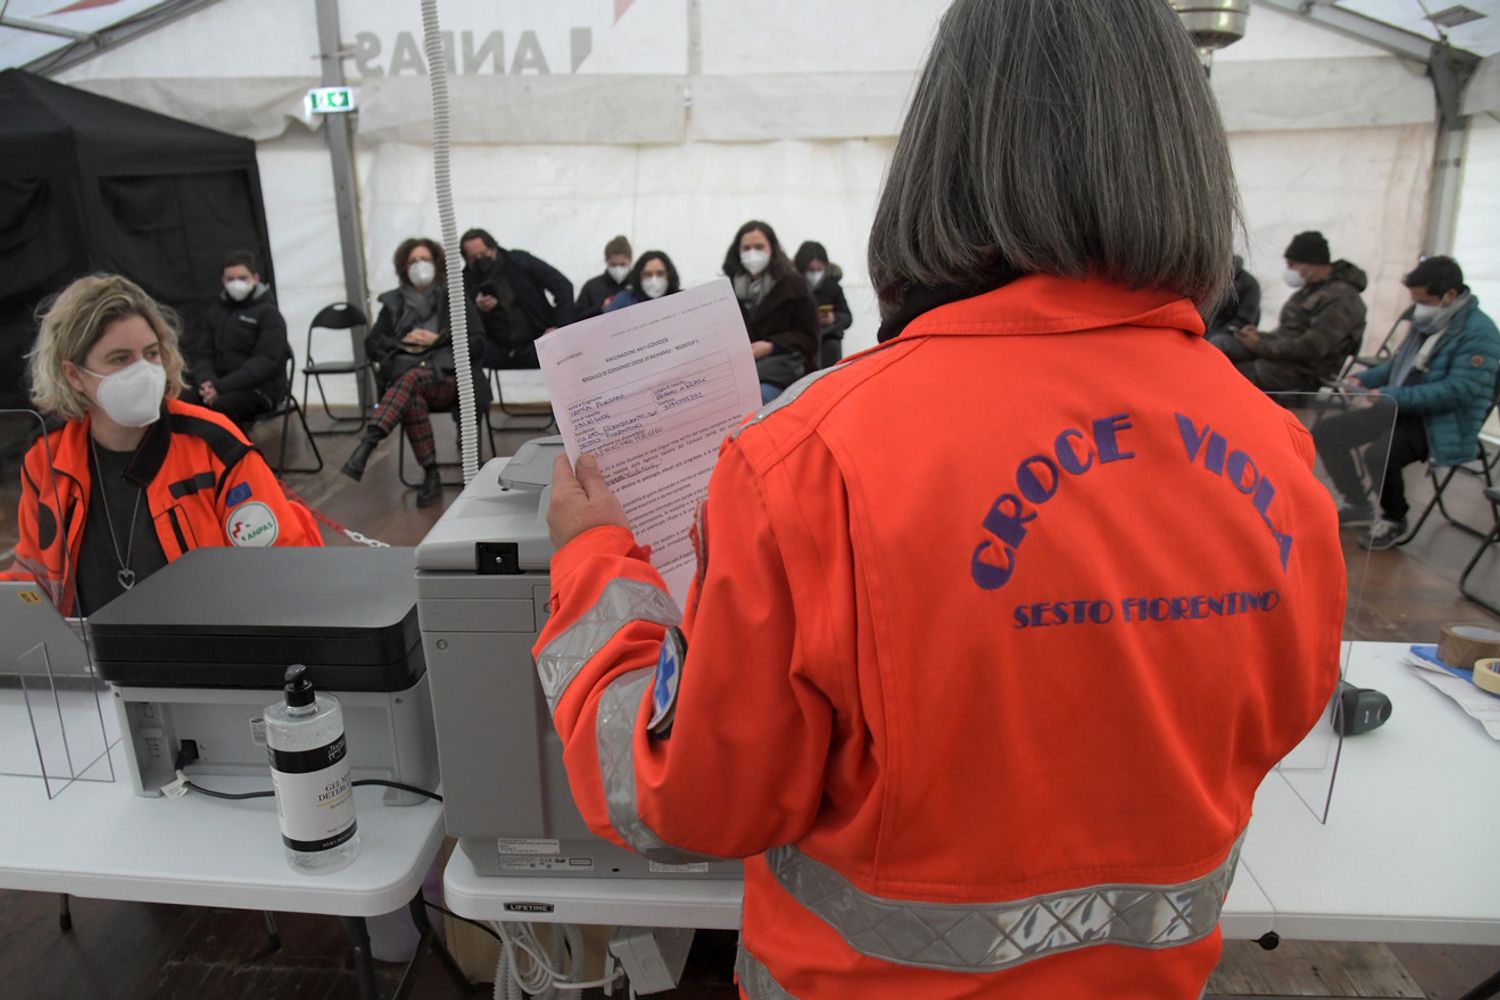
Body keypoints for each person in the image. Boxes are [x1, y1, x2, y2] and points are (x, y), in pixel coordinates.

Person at [531, 1, 1345, 997]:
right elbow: (1274, 715)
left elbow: (682, 795)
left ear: (940, 161)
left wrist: (592, 560)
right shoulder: (1280, 454)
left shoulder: (809, 461)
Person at [9, 274, 321, 616]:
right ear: (74, 375)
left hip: (207, 644)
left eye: (151, 353)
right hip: (90, 647)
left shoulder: (214, 446)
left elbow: (284, 570)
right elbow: (33, 576)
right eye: (120, 359)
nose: (143, 371)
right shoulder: (48, 456)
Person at [1313, 256, 1500, 549]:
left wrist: (1392, 394)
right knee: (1326, 432)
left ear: (1450, 295)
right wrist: (1364, 380)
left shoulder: (1480, 333)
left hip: (1441, 421)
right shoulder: (1429, 321)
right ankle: (1358, 503)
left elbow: (1458, 391)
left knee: (1380, 455)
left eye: (1424, 301)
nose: (1418, 308)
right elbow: (1399, 364)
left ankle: (1394, 518)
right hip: (1399, 406)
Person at [341, 238, 487, 509]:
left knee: (408, 380)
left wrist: (438, 339)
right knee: (411, 394)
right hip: (413, 382)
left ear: (436, 264)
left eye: (425, 260)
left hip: (449, 378)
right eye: (413, 262)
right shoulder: (394, 303)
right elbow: (373, 344)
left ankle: (369, 443)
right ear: (403, 268)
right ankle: (430, 472)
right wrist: (403, 343)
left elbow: (478, 341)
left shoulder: (454, 297)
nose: (419, 266)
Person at [1233, 232, 1367, 392]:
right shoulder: (1312, 289)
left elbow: (1311, 348)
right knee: (1225, 350)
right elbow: (1290, 332)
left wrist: (1260, 345)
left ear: (1311, 263)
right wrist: (1259, 337)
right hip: (1283, 361)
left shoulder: (1342, 299)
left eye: (1292, 264)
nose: (1289, 270)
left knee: (1232, 378)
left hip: (1305, 374)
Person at [182, 250, 289, 425]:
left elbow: (263, 363)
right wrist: (207, 382)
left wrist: (221, 387)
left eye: (242, 278)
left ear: (255, 278)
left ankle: (229, 444)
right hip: (218, 384)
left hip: (259, 389)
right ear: (223, 281)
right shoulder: (215, 313)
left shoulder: (269, 314)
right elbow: (202, 354)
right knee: (181, 403)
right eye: (230, 279)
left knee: (222, 408)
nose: (236, 283)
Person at [723, 221, 819, 403]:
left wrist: (772, 346)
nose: (752, 253)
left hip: (781, 372)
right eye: (746, 248)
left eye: (759, 247)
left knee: (758, 399)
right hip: (738, 373)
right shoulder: (726, 290)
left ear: (772, 249)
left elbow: (809, 337)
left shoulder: (794, 286)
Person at [459, 228, 574, 370]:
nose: (479, 260)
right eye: (473, 258)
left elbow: (562, 286)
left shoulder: (518, 261)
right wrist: (476, 308)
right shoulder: (465, 282)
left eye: (483, 254)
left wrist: (560, 328)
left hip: (540, 341)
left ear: (493, 247)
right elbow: (461, 324)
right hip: (499, 352)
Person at [794, 241, 854, 368]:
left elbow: (847, 318)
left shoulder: (833, 287)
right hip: (800, 339)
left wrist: (833, 318)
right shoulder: (792, 287)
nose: (815, 274)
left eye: (819, 270)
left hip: (827, 339)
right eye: (810, 270)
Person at [1205, 254, 1261, 359]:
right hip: (1209, 329)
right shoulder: (1211, 276)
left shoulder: (1250, 284)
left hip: (1232, 335)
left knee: (1215, 342)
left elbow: (1243, 321)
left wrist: (1213, 333)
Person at [574, 235, 634, 320]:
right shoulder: (591, 287)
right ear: (606, 261)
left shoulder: (639, 285)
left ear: (630, 260)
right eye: (613, 265)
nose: (618, 269)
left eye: (622, 264)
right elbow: (576, 318)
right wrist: (600, 308)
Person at [602, 251, 681, 313]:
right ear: (638, 276)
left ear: (670, 275)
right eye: (648, 274)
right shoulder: (624, 300)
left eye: (660, 274)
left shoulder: (681, 300)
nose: (654, 280)